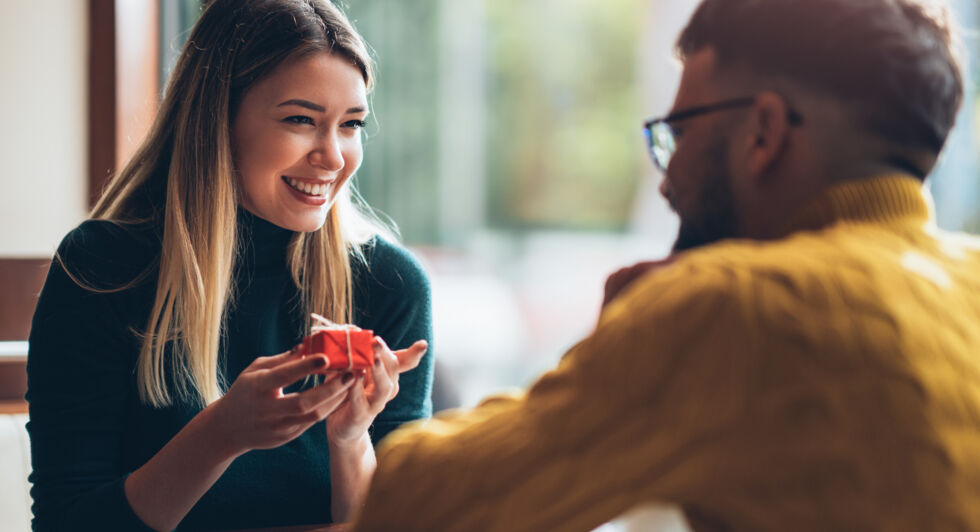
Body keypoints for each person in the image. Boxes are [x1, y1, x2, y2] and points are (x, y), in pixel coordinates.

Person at [353, 0, 980, 530]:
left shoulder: (740, 305)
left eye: (677, 134)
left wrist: (616, 353)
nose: (667, 177)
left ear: (763, 133)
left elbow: (410, 506)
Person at [25, 1, 434, 530]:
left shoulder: (388, 285)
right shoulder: (102, 269)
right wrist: (219, 435)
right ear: (217, 121)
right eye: (301, 120)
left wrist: (351, 442)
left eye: (350, 124)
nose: (333, 157)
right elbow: (67, 522)